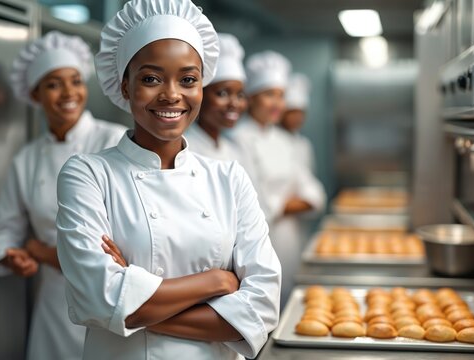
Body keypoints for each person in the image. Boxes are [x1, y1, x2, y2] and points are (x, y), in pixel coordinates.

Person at [55, 1, 282, 359]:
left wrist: (131, 298)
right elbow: (98, 297)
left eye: (188, 79)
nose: (172, 94)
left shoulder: (229, 178)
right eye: (150, 79)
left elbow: (261, 309)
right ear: (125, 86)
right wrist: (216, 282)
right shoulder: (88, 175)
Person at [0, 31, 127, 360]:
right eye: (53, 84)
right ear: (35, 94)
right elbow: (6, 227)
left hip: (113, 297)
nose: (68, 93)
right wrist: (12, 255)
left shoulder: (116, 140)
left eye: (75, 81)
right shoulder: (28, 158)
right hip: (54, 304)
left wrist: (42, 251)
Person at [228, 51, 326, 308]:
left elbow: (315, 194)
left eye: (281, 96)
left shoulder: (284, 141)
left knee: (287, 305)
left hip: (289, 242)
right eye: (269, 94)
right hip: (257, 246)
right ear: (251, 98)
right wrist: (287, 204)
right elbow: (256, 208)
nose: (276, 104)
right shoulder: (238, 140)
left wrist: (281, 205)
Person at [185, 33, 247, 161]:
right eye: (223, 93)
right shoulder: (185, 150)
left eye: (240, 95)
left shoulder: (232, 152)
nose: (234, 103)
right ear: (200, 94)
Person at [280, 73, 316, 173]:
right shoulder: (271, 139)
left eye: (301, 113)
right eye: (292, 113)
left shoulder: (304, 145)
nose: (297, 118)